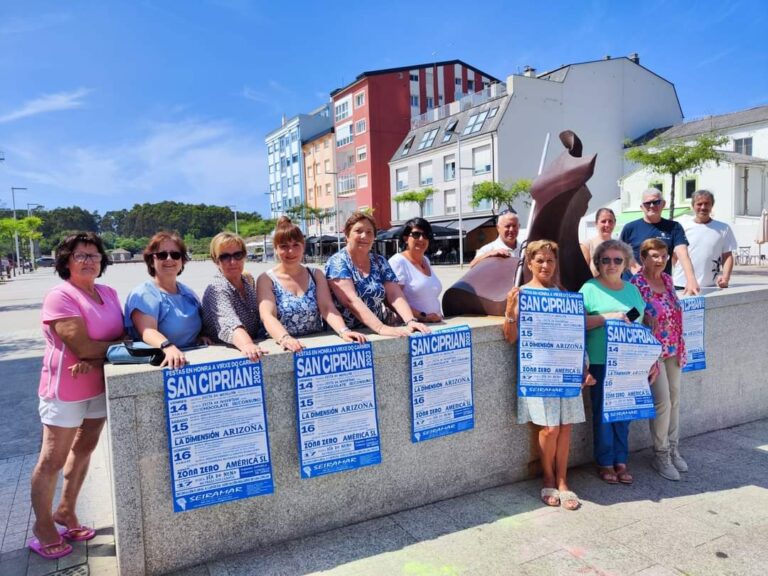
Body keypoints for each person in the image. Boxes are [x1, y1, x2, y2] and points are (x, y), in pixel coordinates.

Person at [30, 232, 125, 560]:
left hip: (98, 383)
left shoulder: (109, 293)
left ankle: (66, 511)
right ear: (66, 261)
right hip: (65, 390)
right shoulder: (61, 296)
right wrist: (99, 353)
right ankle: (43, 527)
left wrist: (96, 358)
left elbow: (124, 336)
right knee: (52, 459)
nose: (89, 261)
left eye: (94, 255)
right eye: (81, 255)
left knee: (84, 449)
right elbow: (81, 346)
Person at [503, 240, 595, 510]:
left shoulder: (562, 292)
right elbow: (510, 338)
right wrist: (509, 311)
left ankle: (564, 480)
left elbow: (575, 333)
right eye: (539, 260)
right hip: (539, 372)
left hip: (565, 369)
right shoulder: (521, 294)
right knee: (549, 428)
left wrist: (583, 366)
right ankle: (548, 476)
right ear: (529, 263)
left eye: (550, 261)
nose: (545, 265)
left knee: (566, 426)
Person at [580, 239, 648, 486]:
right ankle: (605, 461)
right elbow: (578, 323)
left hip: (629, 361)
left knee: (624, 413)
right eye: (605, 260)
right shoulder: (589, 288)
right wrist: (607, 318)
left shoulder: (632, 290)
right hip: (600, 360)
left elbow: (640, 319)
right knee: (604, 413)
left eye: (617, 260)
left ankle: (621, 459)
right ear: (598, 262)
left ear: (626, 264)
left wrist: (650, 361)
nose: (611, 264)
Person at [258, 217, 367, 351]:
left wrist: (344, 331)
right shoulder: (266, 279)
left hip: (315, 345)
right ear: (275, 249)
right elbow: (267, 315)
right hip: (283, 345)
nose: (291, 251)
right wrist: (285, 339)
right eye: (284, 246)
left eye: (296, 245)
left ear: (303, 246)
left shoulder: (315, 275)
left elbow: (327, 308)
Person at [631, 238, 688, 481]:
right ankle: (661, 453)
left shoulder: (667, 280)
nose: (660, 260)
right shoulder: (636, 284)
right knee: (662, 402)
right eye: (654, 255)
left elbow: (674, 311)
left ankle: (673, 447)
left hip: (674, 348)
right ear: (643, 258)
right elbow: (631, 314)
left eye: (663, 256)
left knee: (675, 400)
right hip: (652, 353)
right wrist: (643, 319)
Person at [326, 211, 430, 337]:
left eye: (369, 232)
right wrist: (380, 328)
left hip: (376, 328)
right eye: (358, 231)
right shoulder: (338, 261)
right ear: (347, 235)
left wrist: (410, 320)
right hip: (348, 332)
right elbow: (350, 300)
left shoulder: (379, 261)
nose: (364, 236)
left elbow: (394, 294)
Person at [125, 232, 206, 369]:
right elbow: (147, 331)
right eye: (162, 255)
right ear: (151, 260)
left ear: (182, 260)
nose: (169, 259)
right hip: (164, 361)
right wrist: (167, 347)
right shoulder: (144, 294)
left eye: (175, 255)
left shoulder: (188, 292)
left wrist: (201, 337)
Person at [619, 188, 699, 295]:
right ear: (641, 207)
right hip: (632, 286)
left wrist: (691, 279)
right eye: (647, 203)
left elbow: (683, 254)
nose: (652, 206)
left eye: (656, 202)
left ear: (663, 204)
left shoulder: (674, 227)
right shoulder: (630, 228)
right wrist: (639, 274)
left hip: (661, 287)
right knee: (633, 312)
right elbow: (621, 254)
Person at [202, 232, 265, 362]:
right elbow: (229, 323)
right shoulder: (217, 288)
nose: (233, 262)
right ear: (215, 260)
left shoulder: (247, 280)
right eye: (225, 257)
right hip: (224, 352)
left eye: (238, 255)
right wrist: (247, 345)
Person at [673, 190, 737, 289]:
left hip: (709, 285)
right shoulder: (681, 226)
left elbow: (727, 256)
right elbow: (674, 255)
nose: (703, 207)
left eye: (707, 204)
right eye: (699, 204)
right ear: (693, 206)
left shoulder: (724, 228)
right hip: (681, 284)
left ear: (712, 206)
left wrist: (726, 278)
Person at [388, 217, 443, 323]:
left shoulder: (426, 260)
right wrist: (422, 316)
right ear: (405, 238)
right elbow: (391, 299)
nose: (421, 239)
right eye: (416, 234)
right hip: (415, 326)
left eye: (426, 235)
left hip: (435, 325)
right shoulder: (398, 262)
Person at [580, 208, 616, 276]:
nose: (607, 225)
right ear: (596, 224)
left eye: (610, 221)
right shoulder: (587, 245)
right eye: (603, 221)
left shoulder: (619, 247)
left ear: (614, 223)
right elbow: (581, 274)